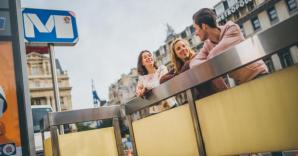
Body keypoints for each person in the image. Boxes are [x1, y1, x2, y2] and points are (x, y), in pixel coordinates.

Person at [190, 8, 268, 85]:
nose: (196, 33)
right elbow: (193, 64)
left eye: (195, 29)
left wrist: (207, 61)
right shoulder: (207, 45)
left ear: (204, 26)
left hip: (259, 75)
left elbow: (216, 54)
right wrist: (209, 62)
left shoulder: (231, 28)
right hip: (241, 83)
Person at [160, 38, 227, 99]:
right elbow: (162, 80)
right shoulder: (179, 68)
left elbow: (186, 67)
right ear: (175, 54)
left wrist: (177, 74)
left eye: (184, 46)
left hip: (217, 93)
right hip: (203, 99)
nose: (182, 49)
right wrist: (177, 74)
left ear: (188, 47)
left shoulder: (197, 57)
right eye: (178, 48)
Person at [136, 50, 177, 114]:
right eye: (145, 57)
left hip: (170, 105)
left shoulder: (162, 69)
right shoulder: (142, 78)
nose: (148, 57)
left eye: (149, 55)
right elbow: (138, 92)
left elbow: (160, 83)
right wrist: (141, 92)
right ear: (142, 63)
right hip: (155, 111)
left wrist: (146, 87)